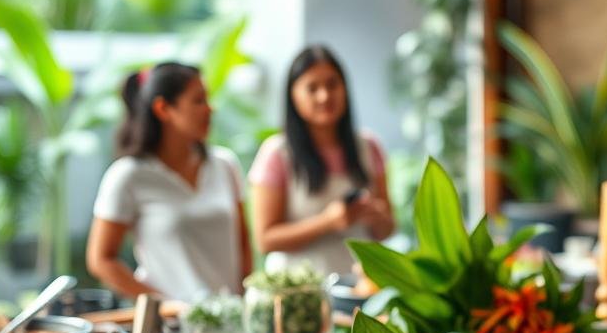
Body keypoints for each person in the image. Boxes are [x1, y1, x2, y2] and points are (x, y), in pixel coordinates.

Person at [87, 63, 251, 302]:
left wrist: (246, 301)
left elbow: (243, 244)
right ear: (163, 109)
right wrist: (163, 305)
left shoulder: (225, 165)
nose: (210, 109)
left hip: (230, 323)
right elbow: (100, 260)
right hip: (168, 330)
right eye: (198, 101)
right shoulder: (128, 176)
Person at [249, 45, 393, 275]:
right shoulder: (276, 153)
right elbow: (265, 240)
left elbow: (387, 229)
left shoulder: (369, 147)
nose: (324, 96)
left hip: (359, 289)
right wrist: (327, 222)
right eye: (312, 88)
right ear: (293, 94)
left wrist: (376, 215)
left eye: (332, 84)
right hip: (300, 293)